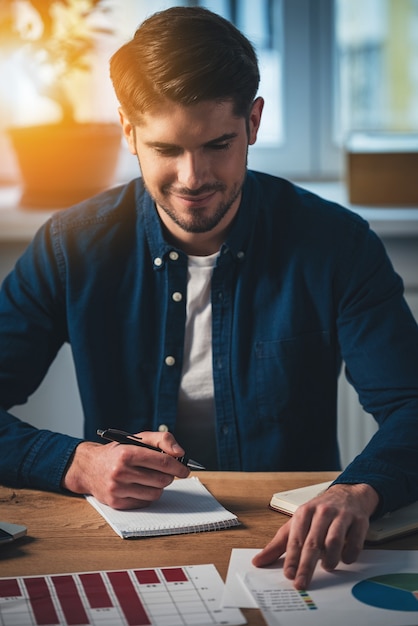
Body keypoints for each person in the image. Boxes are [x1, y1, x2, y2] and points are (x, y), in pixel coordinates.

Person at [1, 6, 418, 590]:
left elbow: (411, 405)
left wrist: (360, 488)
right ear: (128, 131)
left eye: (217, 144)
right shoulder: (72, 246)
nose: (193, 177)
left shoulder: (337, 245)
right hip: (123, 543)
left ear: (253, 121)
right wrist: (75, 462)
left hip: (288, 551)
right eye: (166, 148)